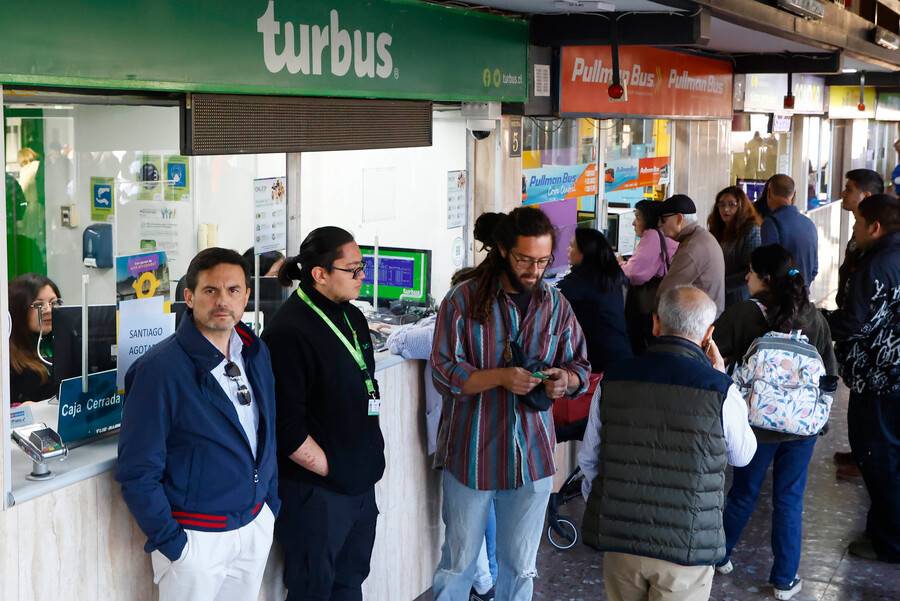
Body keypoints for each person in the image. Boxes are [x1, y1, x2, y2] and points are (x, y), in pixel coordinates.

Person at [430, 206, 591, 601]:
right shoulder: (463, 301)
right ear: (503, 250)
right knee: (458, 564)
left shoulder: (555, 305)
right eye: (524, 259)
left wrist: (564, 380)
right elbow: (444, 372)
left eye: (543, 260)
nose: (534, 270)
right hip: (471, 453)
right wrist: (501, 377)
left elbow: (580, 367)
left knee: (520, 568)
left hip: (532, 456)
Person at [116, 247, 280, 601]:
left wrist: (269, 505)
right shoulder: (159, 369)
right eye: (210, 290)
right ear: (189, 297)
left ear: (246, 297)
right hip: (197, 540)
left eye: (233, 290)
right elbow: (137, 470)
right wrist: (175, 544)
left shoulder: (255, 352)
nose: (223, 300)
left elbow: (266, 433)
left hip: (253, 524)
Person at [579, 286, 757, 601]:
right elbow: (742, 456)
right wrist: (721, 377)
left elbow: (589, 458)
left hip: (622, 539)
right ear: (709, 334)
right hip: (685, 546)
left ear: (655, 323)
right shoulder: (720, 390)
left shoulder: (614, 379)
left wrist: (608, 507)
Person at [261, 227, 384, 600]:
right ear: (320, 274)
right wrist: (337, 469)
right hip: (316, 494)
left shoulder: (352, 316)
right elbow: (287, 429)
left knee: (350, 583)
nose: (362, 276)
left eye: (363, 267)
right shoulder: (288, 332)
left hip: (359, 486)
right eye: (353, 269)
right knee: (313, 589)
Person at [711, 245, 837, 600]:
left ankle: (720, 555)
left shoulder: (742, 314)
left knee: (743, 494)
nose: (746, 277)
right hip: (801, 429)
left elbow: (711, 354)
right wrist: (819, 421)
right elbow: (829, 375)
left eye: (750, 271)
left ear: (765, 278)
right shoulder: (813, 317)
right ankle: (784, 579)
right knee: (789, 500)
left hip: (756, 425)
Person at [829, 194, 900, 563]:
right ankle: (883, 531)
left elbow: (854, 323)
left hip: (880, 378)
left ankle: (890, 542)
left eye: (857, 222)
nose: (854, 229)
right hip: (892, 376)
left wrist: (817, 320)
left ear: (875, 227)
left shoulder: (878, 264)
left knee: (879, 457)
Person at [829, 169, 884, 479]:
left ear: (866, 195)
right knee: (858, 398)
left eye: (849, 189)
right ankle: (859, 452)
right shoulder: (860, 230)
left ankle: (866, 459)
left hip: (867, 333)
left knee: (869, 403)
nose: (843, 193)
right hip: (852, 318)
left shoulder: (877, 244)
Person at [558, 228, 632, 372]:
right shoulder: (610, 277)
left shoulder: (578, 283)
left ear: (584, 252)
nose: (568, 249)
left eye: (572, 246)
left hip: (598, 362)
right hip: (622, 352)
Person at [620, 200, 679, 354]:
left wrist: (619, 265)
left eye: (638, 217)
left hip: (648, 305)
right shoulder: (663, 235)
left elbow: (635, 273)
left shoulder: (652, 235)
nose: (633, 223)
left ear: (649, 218)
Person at [656, 194, 726, 315]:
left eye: (663, 219)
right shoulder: (700, 236)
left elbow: (666, 292)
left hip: (700, 320)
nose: (659, 225)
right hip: (706, 315)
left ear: (679, 219)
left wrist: (655, 315)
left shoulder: (692, 247)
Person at [8, 274, 61, 405]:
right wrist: (16, 409)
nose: (48, 310)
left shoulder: (63, 345)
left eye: (54, 303)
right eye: (38, 305)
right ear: (19, 309)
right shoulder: (8, 358)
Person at [759, 174, 818, 287]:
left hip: (779, 294)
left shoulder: (771, 224)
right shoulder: (809, 224)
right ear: (794, 195)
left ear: (769, 192)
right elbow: (814, 269)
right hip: (803, 293)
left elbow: (767, 267)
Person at [707, 186, 761, 307]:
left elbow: (751, 269)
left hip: (737, 294)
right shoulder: (717, 228)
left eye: (732, 204)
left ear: (741, 206)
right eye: (721, 205)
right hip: (716, 292)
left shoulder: (751, 229)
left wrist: (723, 285)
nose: (726, 209)